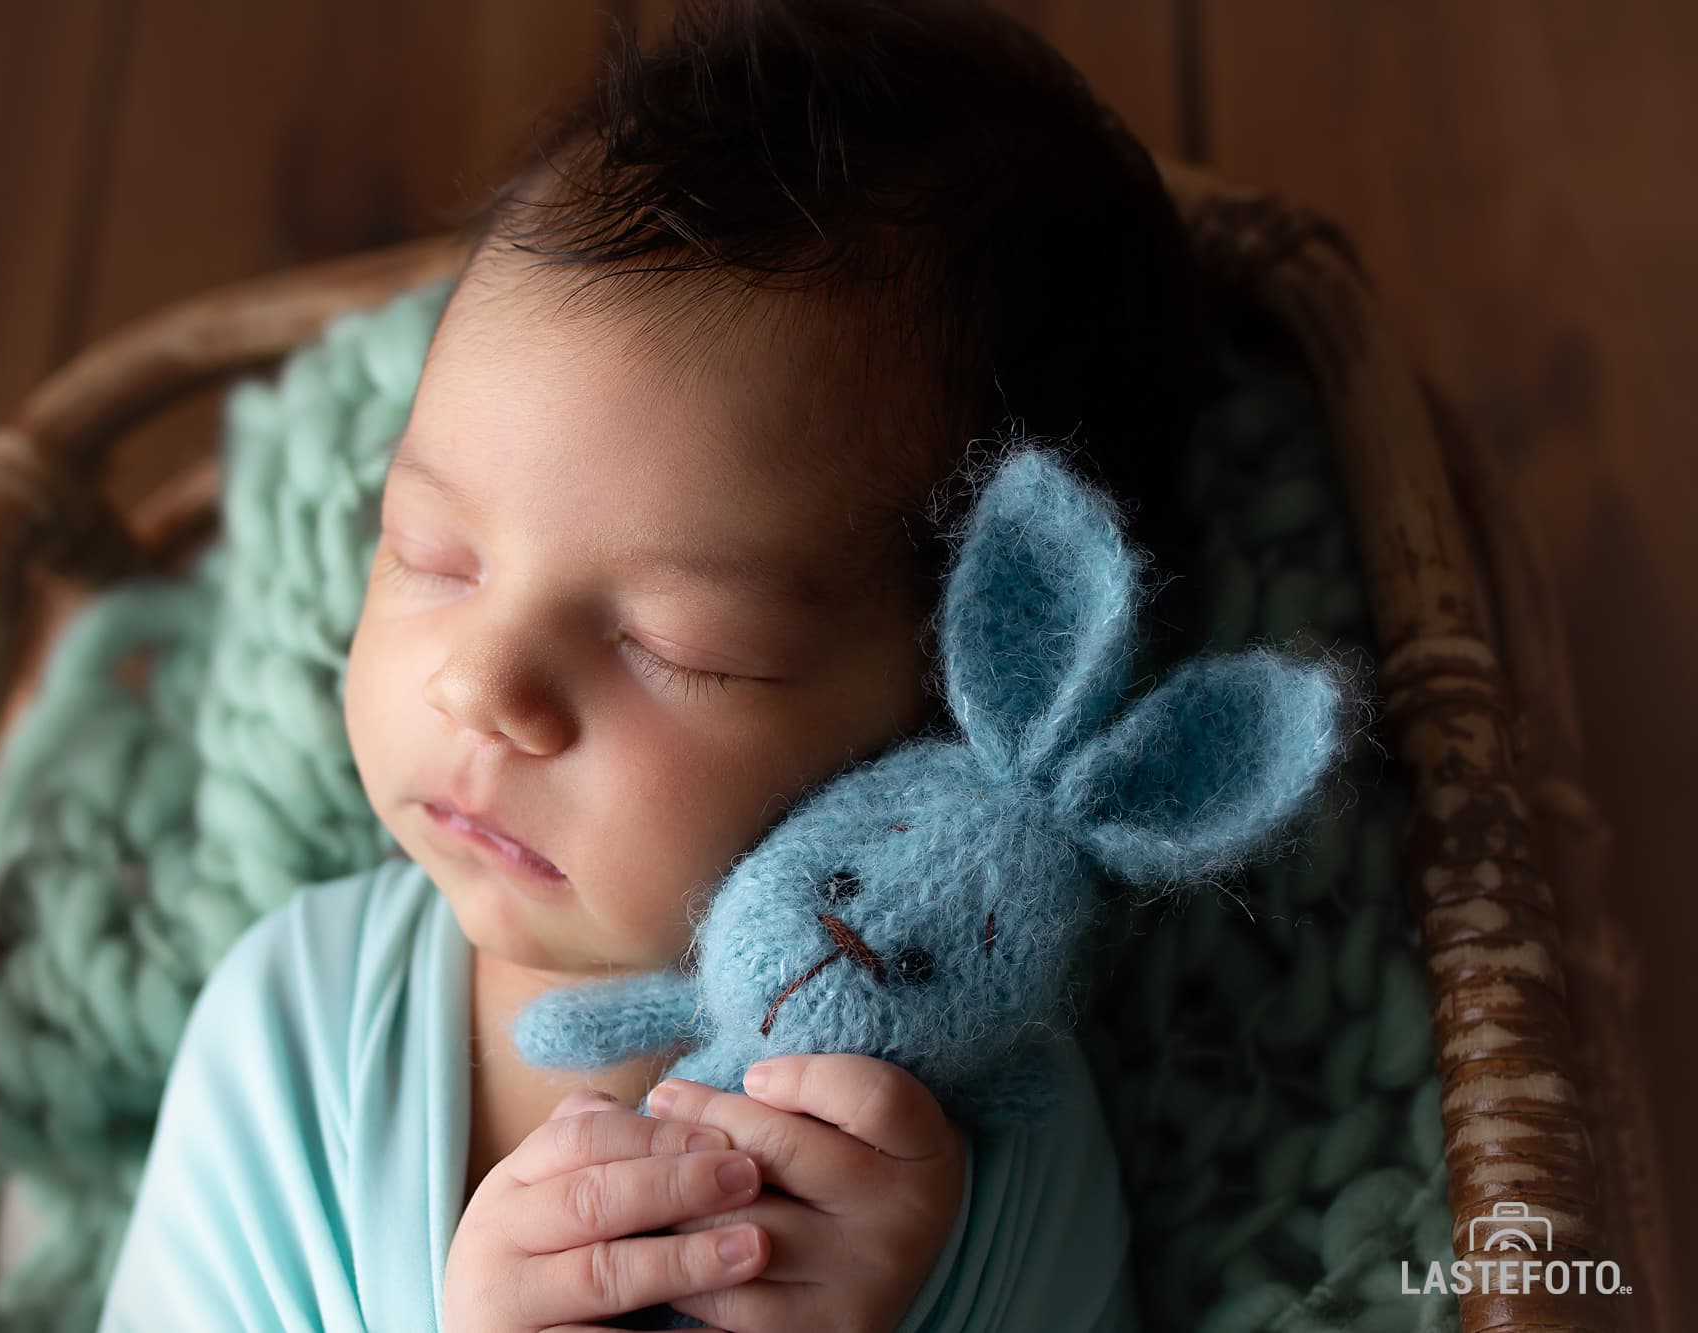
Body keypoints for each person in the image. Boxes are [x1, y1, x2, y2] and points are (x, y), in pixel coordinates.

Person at [99, 0, 1201, 1327]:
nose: (481, 684)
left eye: (673, 647)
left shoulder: (1004, 1150)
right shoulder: (291, 1033)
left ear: (947, 725)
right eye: (432, 552)